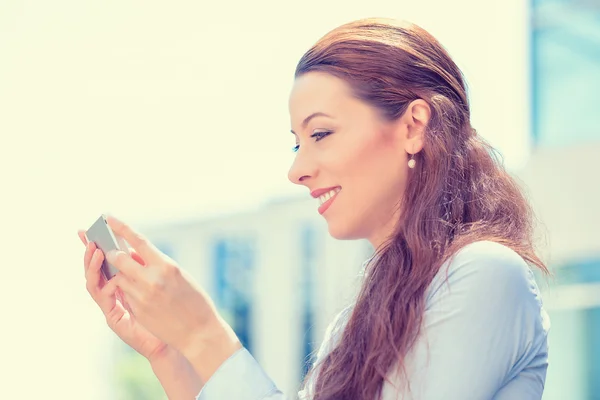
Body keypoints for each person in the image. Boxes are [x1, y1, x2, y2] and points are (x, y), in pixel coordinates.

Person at [78, 18, 550, 400]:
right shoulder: (355, 324)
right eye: (296, 144)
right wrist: (168, 352)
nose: (297, 170)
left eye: (320, 134)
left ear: (413, 126)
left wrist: (205, 333)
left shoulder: (485, 274)